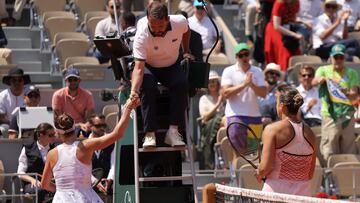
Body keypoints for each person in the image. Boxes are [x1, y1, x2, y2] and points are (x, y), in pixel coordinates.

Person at [40, 98, 139, 202]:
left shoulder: (51, 154)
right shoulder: (86, 145)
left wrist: (62, 191)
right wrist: (128, 108)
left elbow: (44, 184)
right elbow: (117, 134)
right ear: (74, 128)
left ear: (58, 132)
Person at [130, 2, 193, 148]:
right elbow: (138, 68)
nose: (157, 30)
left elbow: (187, 31)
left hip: (171, 65)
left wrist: (186, 50)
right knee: (147, 84)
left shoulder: (180, 22)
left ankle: (173, 131)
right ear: (147, 20)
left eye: (160, 26)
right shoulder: (141, 34)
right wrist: (134, 91)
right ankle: (150, 134)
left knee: (182, 83)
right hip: (149, 66)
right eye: (153, 26)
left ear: (168, 20)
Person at [256, 87, 316, 196]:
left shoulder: (271, 130)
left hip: (275, 195)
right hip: (302, 196)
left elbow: (265, 168)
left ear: (281, 107)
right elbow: (310, 174)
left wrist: (259, 173)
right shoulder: (311, 133)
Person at [312, 44, 359, 162]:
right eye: (335, 57)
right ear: (330, 58)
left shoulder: (352, 73)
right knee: (329, 144)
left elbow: (354, 93)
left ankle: (348, 171)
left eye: (341, 57)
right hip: (330, 114)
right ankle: (329, 173)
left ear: (344, 58)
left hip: (347, 114)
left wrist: (346, 92)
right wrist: (319, 80)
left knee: (349, 145)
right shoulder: (323, 70)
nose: (338, 60)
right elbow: (314, 82)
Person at [221, 43, 266, 151]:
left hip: (254, 116)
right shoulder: (229, 71)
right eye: (241, 55)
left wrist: (252, 85)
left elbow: (263, 93)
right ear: (236, 57)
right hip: (235, 116)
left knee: (254, 152)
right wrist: (244, 84)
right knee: (239, 152)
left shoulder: (258, 71)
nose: (244, 57)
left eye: (246, 54)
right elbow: (225, 93)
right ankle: (235, 168)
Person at [17, 123, 56, 202]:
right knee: (40, 190)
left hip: (50, 182)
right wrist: (32, 180)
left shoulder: (54, 149)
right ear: (40, 135)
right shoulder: (27, 149)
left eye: (54, 134)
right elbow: (20, 173)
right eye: (50, 135)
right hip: (32, 184)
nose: (54, 137)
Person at [264, 0, 302, 71]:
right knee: (285, 54)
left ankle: (294, 74)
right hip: (275, 30)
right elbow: (276, 26)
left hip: (288, 28)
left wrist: (303, 23)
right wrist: (294, 34)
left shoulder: (296, 3)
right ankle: (282, 74)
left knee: (296, 53)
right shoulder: (279, 3)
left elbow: (293, 19)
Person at [198, 70, 225, 169]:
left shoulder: (223, 97)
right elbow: (205, 117)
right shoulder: (204, 98)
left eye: (214, 81)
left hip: (223, 126)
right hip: (209, 126)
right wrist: (218, 104)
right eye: (209, 82)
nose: (212, 84)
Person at [87, 114, 115, 200]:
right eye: (98, 125)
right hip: (89, 187)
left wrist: (109, 181)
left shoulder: (111, 142)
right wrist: (95, 182)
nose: (102, 128)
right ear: (91, 127)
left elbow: (114, 165)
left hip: (107, 187)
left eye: (104, 125)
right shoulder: (84, 145)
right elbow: (83, 168)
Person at [0, 67, 30, 138]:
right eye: (14, 80)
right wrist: (14, 125)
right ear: (10, 82)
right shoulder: (2, 95)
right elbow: (1, 118)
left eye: (20, 80)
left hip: (27, 125)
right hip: (8, 125)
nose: (17, 83)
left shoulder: (30, 94)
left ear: (23, 82)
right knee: (2, 129)